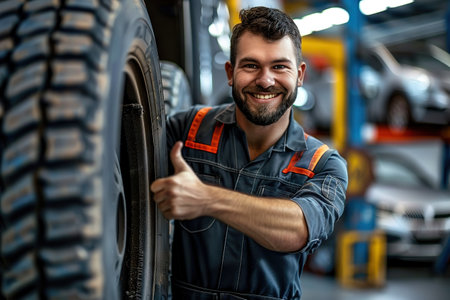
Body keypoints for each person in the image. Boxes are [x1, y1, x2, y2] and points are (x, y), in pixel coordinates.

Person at [151, 6, 348, 300]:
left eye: (280, 66)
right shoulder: (187, 130)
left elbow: (298, 229)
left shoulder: (323, 165)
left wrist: (206, 198)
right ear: (231, 72)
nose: (266, 80)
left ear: (300, 75)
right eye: (251, 65)